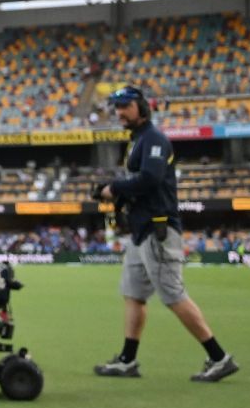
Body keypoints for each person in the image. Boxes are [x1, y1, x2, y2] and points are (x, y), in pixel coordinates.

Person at [94, 86, 237, 382]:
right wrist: (114, 194)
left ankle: (219, 357)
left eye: (126, 106)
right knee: (133, 294)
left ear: (142, 107)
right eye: (117, 107)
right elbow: (140, 184)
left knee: (173, 295)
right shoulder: (138, 141)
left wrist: (116, 188)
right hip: (140, 230)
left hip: (158, 229)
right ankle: (127, 360)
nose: (120, 112)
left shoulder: (154, 139)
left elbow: (150, 178)